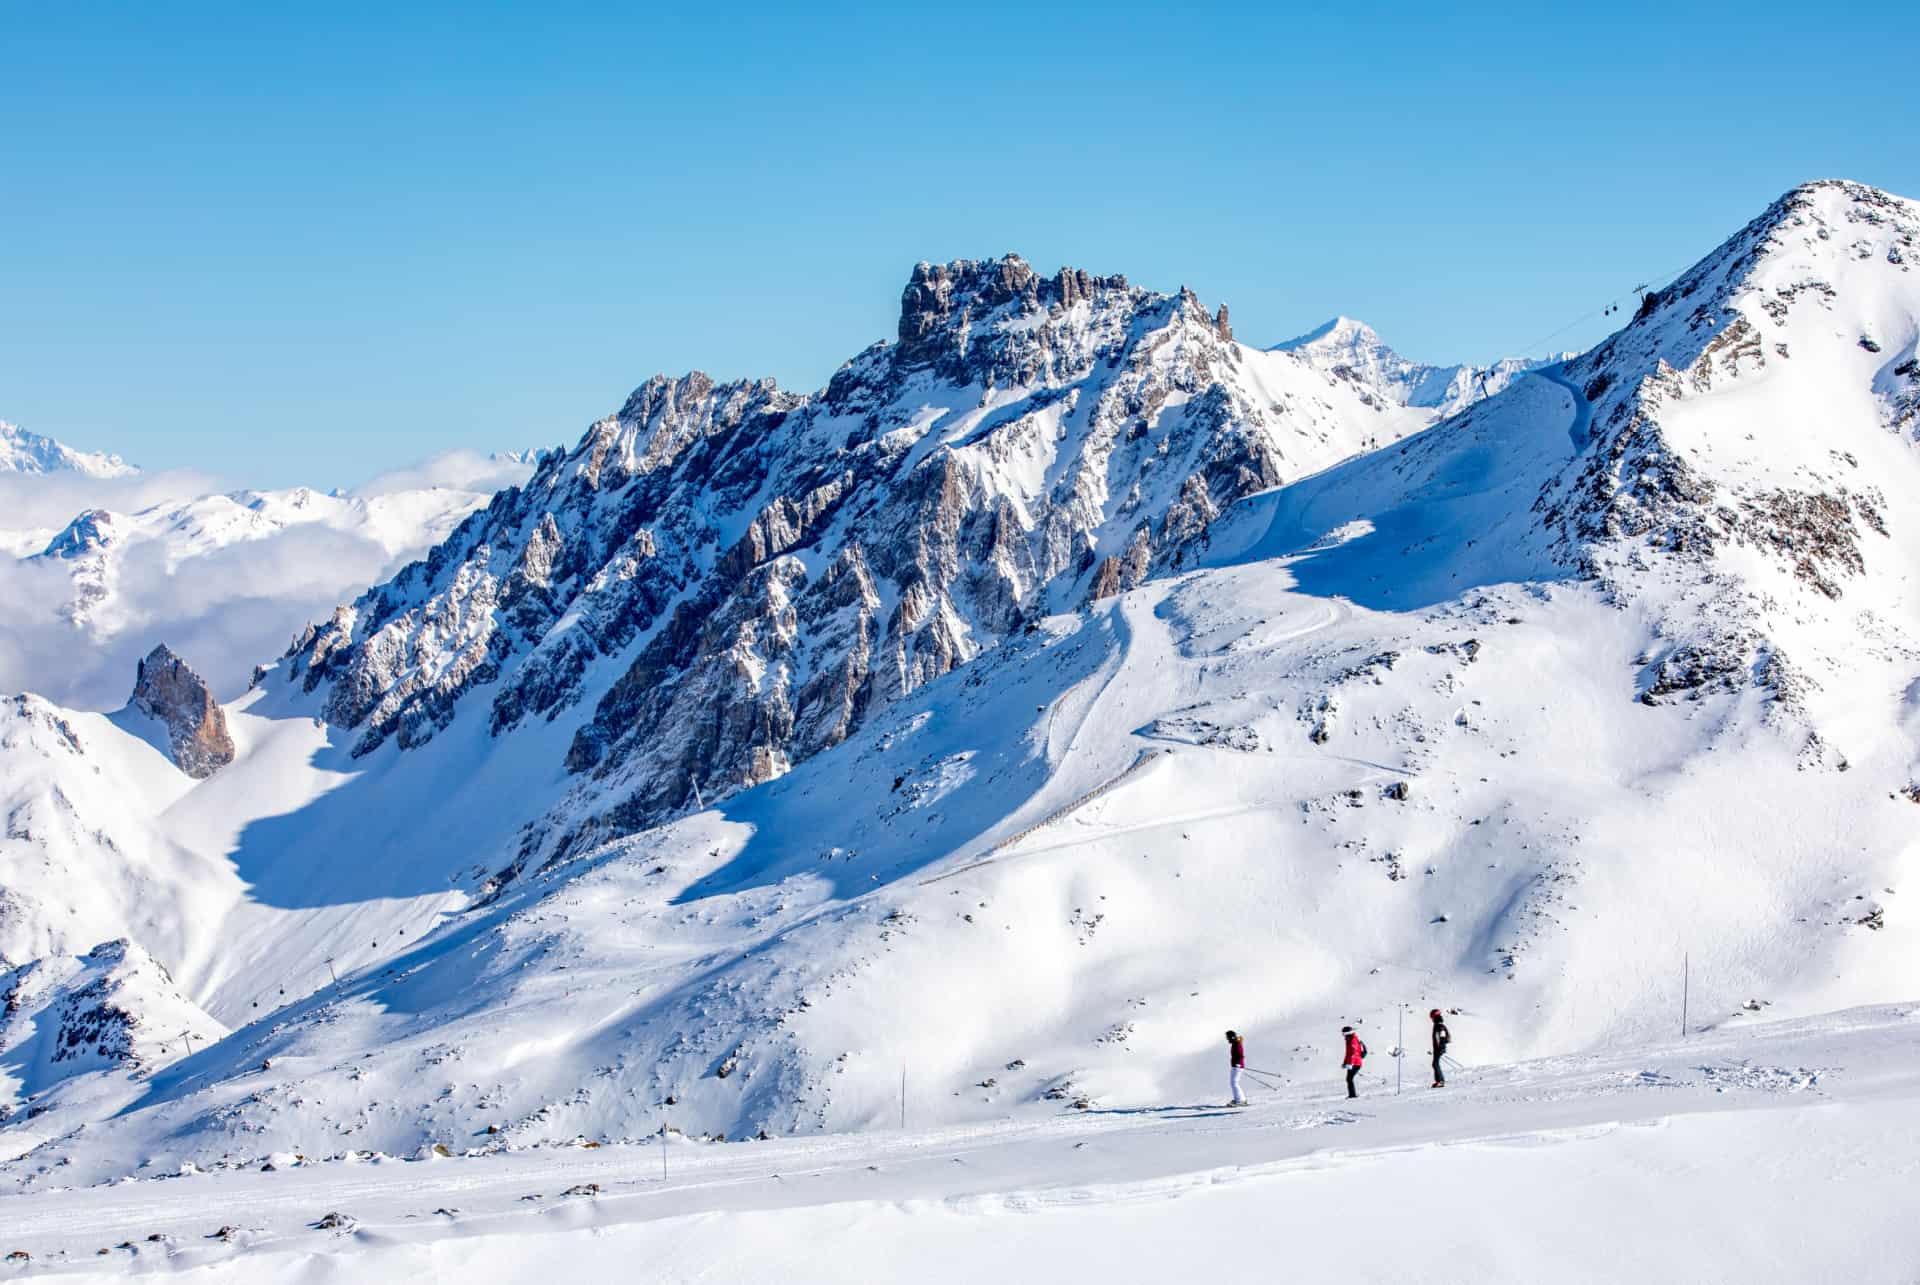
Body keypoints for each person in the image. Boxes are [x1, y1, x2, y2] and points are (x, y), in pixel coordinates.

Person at [1341, 1026, 1366, 1098]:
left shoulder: (1353, 1040)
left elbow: (1353, 1053)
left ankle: (1352, 1095)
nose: (1343, 1036)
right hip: (1352, 1063)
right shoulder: (1349, 1040)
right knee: (1349, 1079)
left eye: (1344, 1034)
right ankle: (1352, 1095)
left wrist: (1350, 1063)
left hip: (1355, 1063)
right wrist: (1345, 1063)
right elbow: (1347, 1053)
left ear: (1348, 1033)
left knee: (1349, 1079)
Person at [1225, 1030, 1248, 1105]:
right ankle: (1239, 1099)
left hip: (1237, 1066)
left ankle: (1240, 1100)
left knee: (1234, 1083)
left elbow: (1240, 1055)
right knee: (1233, 1083)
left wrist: (1238, 1064)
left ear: (1232, 1037)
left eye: (1228, 1037)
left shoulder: (1237, 1044)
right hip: (1235, 1065)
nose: (1227, 1039)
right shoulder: (1235, 1043)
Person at [1430, 1009, 1452, 1088]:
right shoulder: (1438, 1025)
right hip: (1438, 1047)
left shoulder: (1439, 1026)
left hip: (1439, 1048)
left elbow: (1442, 1037)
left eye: (1432, 1017)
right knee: (1435, 1064)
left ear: (1435, 1017)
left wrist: (1441, 1047)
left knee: (1435, 1064)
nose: (1431, 1019)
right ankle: (1439, 1081)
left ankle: (1440, 1081)